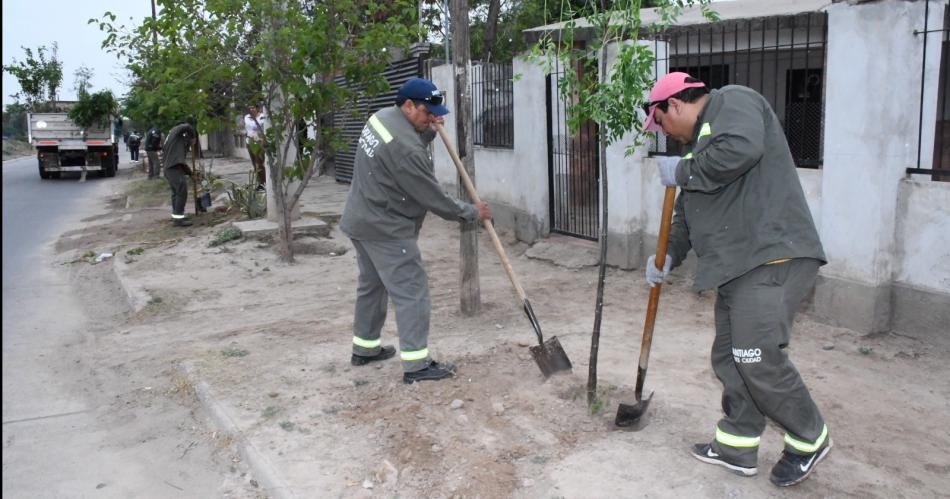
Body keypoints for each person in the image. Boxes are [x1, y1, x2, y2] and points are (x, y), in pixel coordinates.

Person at [641, 72, 831, 487]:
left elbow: (743, 149)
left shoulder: (732, 102)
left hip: (771, 255)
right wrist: (668, 254)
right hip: (736, 269)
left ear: (674, 104)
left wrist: (686, 170)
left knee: (755, 356)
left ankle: (809, 436)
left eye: (659, 122)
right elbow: (686, 216)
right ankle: (736, 445)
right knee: (730, 358)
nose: (663, 133)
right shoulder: (700, 151)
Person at [340, 78, 491, 384]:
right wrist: (471, 213)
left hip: (360, 219)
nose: (433, 118)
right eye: (427, 112)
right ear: (408, 106)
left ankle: (364, 349)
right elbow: (433, 197)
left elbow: (401, 152)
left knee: (372, 285)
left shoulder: (380, 118)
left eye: (436, 113)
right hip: (387, 229)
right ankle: (417, 365)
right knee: (412, 292)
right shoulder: (407, 149)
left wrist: (429, 132)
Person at [162, 122, 197, 227]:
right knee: (181, 192)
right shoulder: (175, 132)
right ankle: (178, 219)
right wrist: (193, 137)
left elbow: (181, 162)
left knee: (176, 193)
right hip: (173, 169)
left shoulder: (175, 142)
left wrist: (191, 174)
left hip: (172, 168)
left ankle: (177, 216)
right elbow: (187, 126)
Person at [244, 104, 266, 191]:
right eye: (250, 107)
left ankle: (263, 183)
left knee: (259, 163)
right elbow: (253, 126)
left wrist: (256, 123)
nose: (252, 109)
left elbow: (258, 126)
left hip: (259, 142)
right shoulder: (247, 117)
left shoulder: (262, 116)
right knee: (254, 164)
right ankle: (260, 183)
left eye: (253, 107)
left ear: (257, 108)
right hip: (250, 142)